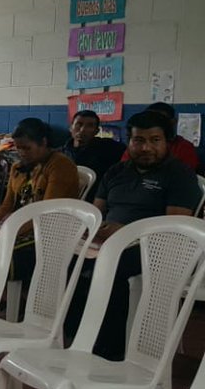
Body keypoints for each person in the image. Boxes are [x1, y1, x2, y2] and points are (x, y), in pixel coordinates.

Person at [64, 110, 202, 361]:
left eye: (155, 140)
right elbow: (97, 211)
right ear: (130, 141)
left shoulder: (180, 175)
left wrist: (127, 232)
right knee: (66, 256)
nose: (146, 147)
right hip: (112, 240)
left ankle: (110, 350)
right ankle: (73, 335)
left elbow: (174, 227)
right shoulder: (117, 171)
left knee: (109, 266)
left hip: (156, 247)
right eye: (139, 140)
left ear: (167, 143)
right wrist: (92, 231)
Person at [0, 118, 80, 290]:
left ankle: (0, 294)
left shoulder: (60, 165)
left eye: (27, 148)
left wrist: (8, 232)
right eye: (18, 147)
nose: (21, 153)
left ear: (44, 143)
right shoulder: (18, 167)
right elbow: (7, 205)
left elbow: (45, 212)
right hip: (20, 227)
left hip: (50, 233)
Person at [60, 109, 126, 198]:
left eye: (89, 126)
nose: (82, 130)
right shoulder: (59, 154)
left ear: (96, 131)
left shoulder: (108, 148)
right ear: (70, 127)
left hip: (96, 201)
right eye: (79, 124)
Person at [120, 102, 199, 172]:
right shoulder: (135, 146)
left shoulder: (184, 147)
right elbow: (124, 169)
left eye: (156, 140)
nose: (146, 148)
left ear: (173, 122)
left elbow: (185, 175)